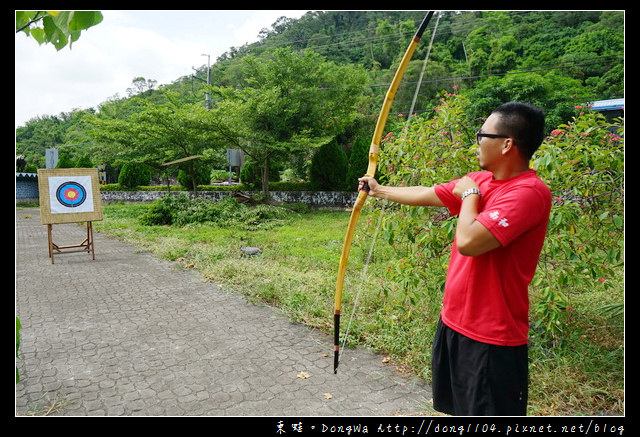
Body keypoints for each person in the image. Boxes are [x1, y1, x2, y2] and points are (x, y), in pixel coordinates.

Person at [358, 101, 551, 416]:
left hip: (492, 338)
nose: (476, 141)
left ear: (506, 144)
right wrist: (379, 191)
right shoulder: (480, 180)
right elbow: (427, 193)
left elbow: (469, 242)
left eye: (481, 134)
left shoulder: (528, 192)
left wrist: (470, 197)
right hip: (454, 324)